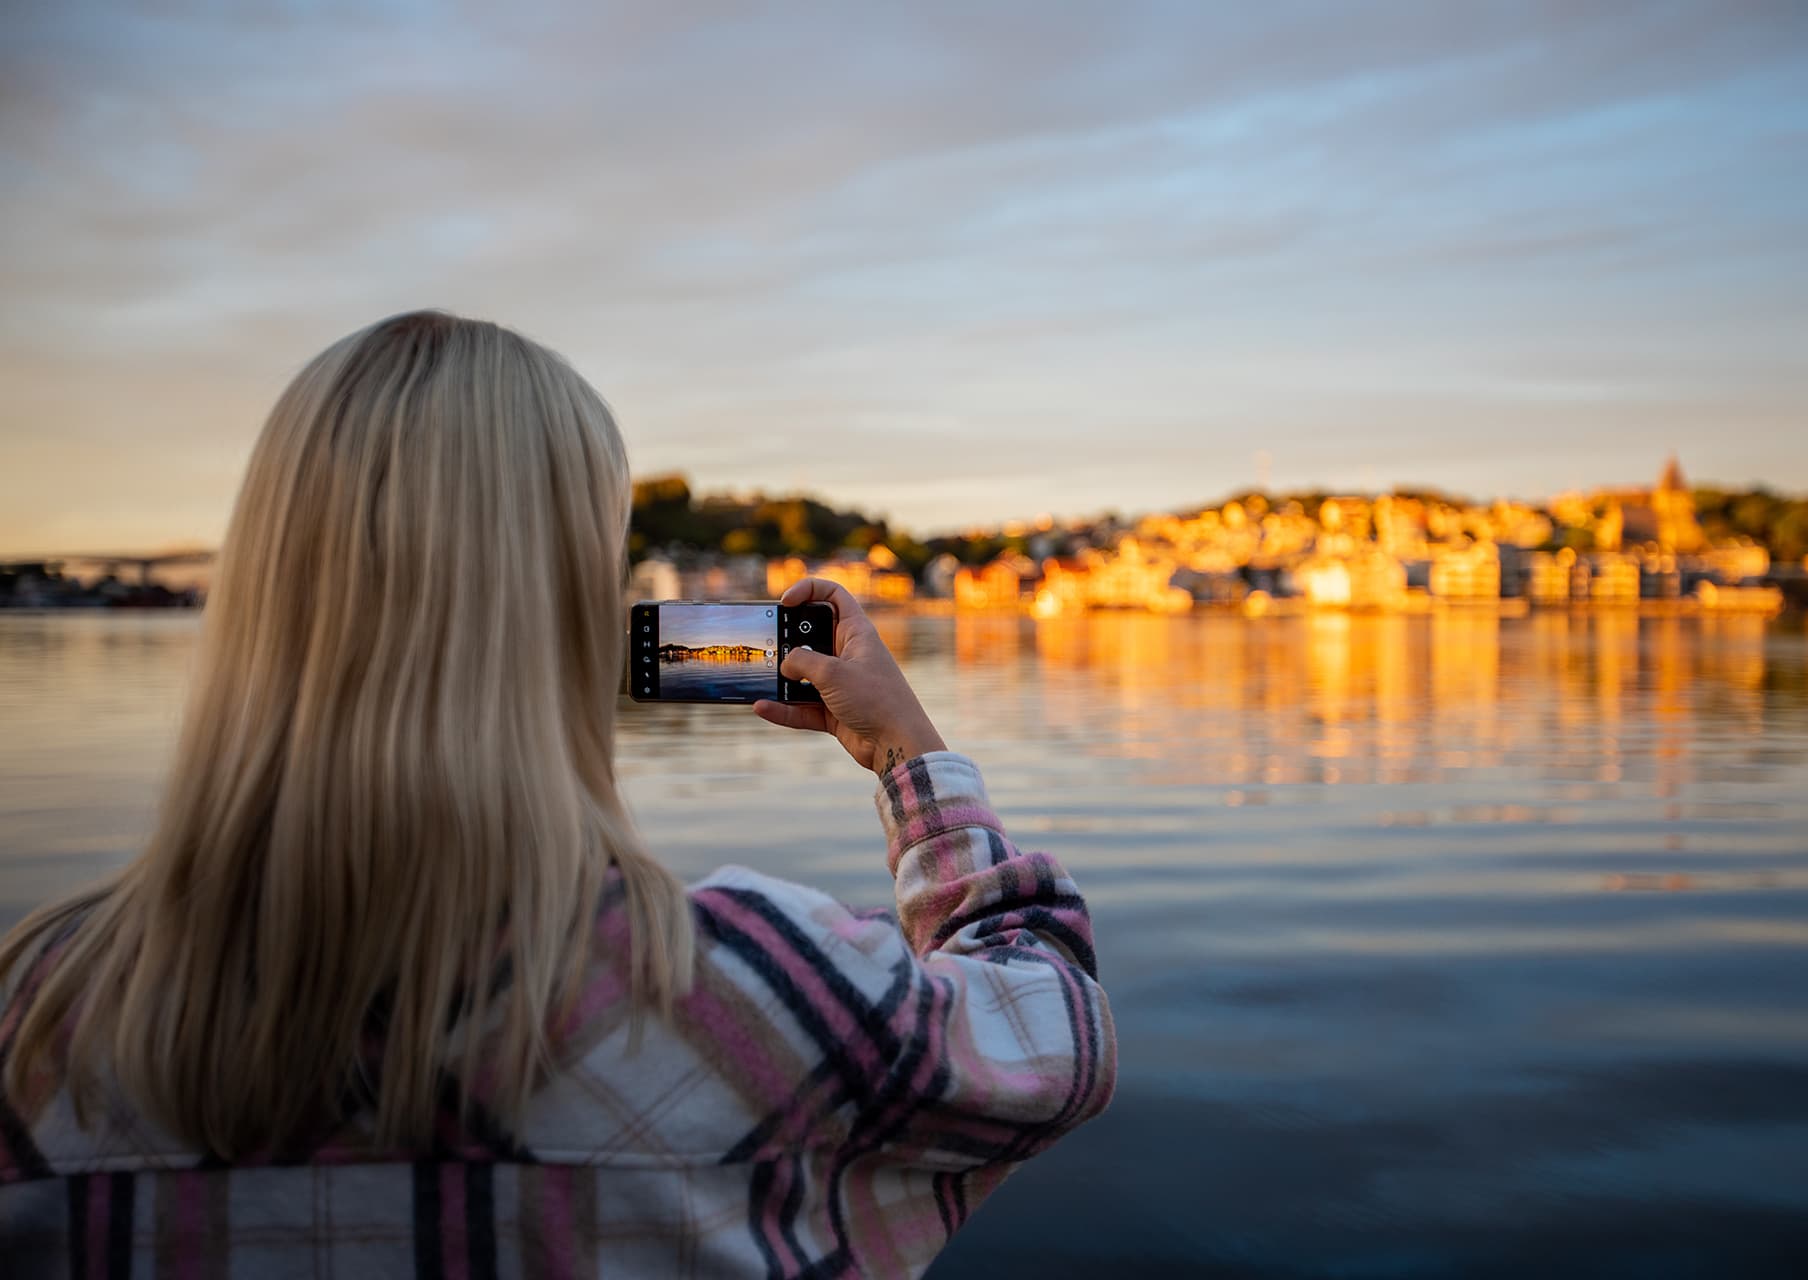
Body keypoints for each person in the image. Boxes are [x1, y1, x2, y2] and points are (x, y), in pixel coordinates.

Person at [0, 311, 1115, 1277]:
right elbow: (1055, 1032)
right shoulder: (751, 996)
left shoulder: (35, 1014)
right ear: (581, 607)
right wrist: (906, 751)